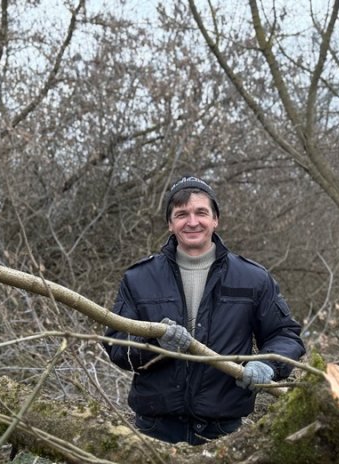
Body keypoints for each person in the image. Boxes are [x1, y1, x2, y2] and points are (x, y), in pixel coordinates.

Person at [104, 175, 305, 445]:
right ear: (170, 224)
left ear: (215, 219)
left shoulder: (253, 278)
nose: (192, 221)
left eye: (201, 212)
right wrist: (154, 341)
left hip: (223, 433)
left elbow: (286, 335)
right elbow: (117, 347)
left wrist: (268, 364)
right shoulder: (139, 278)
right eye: (181, 214)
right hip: (153, 432)